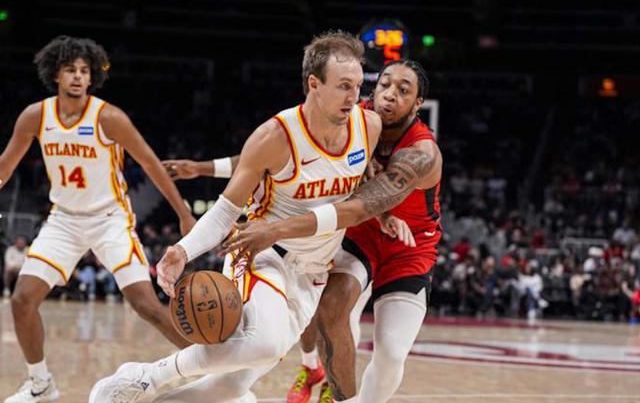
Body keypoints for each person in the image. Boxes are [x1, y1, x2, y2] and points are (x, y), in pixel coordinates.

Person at [89, 30, 381, 403]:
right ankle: (145, 375)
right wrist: (182, 250)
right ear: (314, 84)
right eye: (343, 86)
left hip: (314, 272)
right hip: (263, 255)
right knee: (264, 344)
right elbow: (226, 210)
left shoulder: (368, 128)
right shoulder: (275, 137)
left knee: (230, 386)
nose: (354, 96)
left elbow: (364, 183)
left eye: (357, 86)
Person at [222, 59, 442, 403]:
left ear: (418, 104)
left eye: (403, 91)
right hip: (360, 237)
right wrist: (202, 168)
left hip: (408, 249)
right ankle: (324, 380)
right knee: (329, 306)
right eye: (384, 84)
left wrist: (275, 229)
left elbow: (358, 206)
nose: (389, 95)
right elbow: (276, 155)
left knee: (390, 354)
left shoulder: (422, 152)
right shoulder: (354, 118)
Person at [0, 35, 196, 403]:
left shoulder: (108, 117)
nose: (78, 76)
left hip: (110, 219)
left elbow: (151, 164)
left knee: (146, 306)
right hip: (63, 220)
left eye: (84, 71)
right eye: (70, 70)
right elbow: (5, 166)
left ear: (92, 77)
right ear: (55, 74)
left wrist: (184, 214)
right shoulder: (35, 116)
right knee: (22, 299)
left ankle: (218, 368)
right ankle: (40, 384)